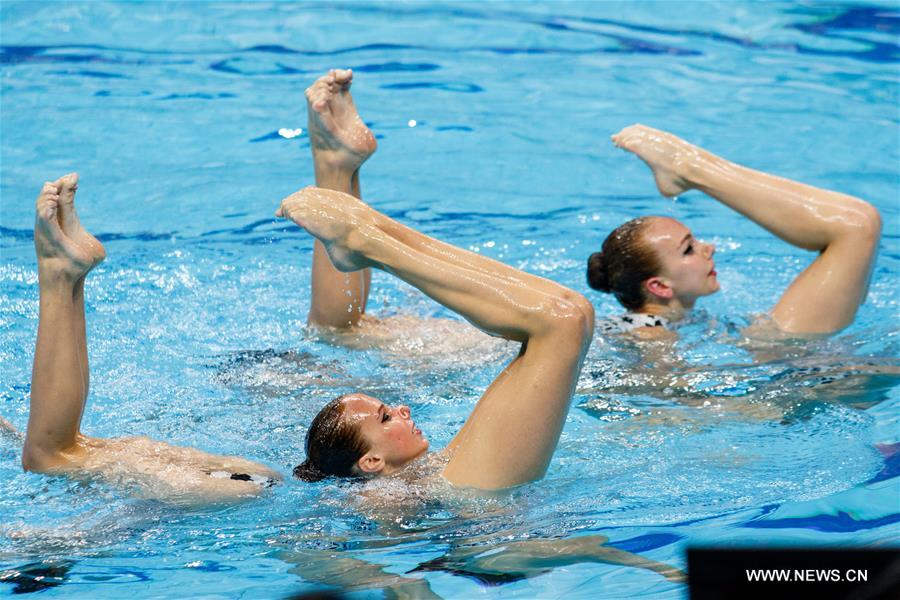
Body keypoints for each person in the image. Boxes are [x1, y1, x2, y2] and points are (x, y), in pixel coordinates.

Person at [281, 69, 594, 489]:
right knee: (564, 319)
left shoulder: (390, 481)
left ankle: (362, 219)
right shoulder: (379, 499)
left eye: (388, 411)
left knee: (567, 317)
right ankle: (370, 238)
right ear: (372, 460)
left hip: (461, 492)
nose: (403, 408)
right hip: (469, 509)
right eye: (387, 416)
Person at [22, 174, 283, 504]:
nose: (374, 407)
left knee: (51, 456)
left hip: (248, 486)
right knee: (63, 450)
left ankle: (63, 276)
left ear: (372, 460)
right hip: (259, 481)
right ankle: (65, 276)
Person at [587, 124, 882, 338]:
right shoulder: (650, 335)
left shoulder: (657, 323)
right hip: (782, 375)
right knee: (855, 226)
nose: (709, 247)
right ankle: (690, 169)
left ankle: (690, 168)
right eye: (688, 249)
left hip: (773, 361)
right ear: (660, 287)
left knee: (857, 227)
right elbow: (676, 408)